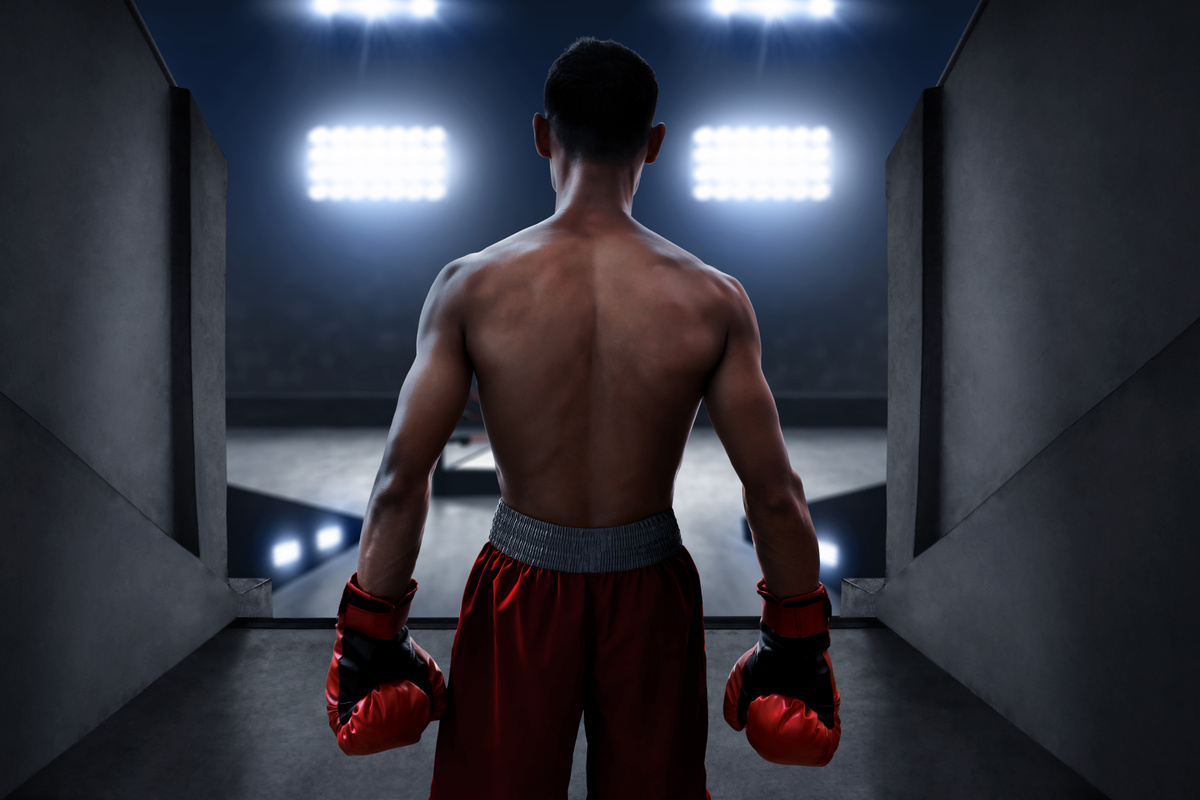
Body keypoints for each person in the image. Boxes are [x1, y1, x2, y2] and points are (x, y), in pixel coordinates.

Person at [324, 37, 840, 800]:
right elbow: (774, 495)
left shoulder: (471, 287)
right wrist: (797, 649)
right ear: (654, 145)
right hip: (651, 590)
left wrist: (372, 642)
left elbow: (402, 481)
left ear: (541, 134)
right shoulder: (713, 298)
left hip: (518, 589)